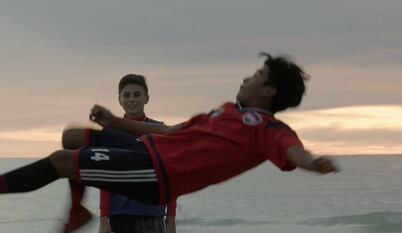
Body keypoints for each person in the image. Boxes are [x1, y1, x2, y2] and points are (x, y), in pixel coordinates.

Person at [0, 53, 339, 233]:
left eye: (256, 77)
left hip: (156, 175)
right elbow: (173, 131)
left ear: (269, 92)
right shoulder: (223, 111)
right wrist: (112, 121)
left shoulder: (268, 128)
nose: (246, 78)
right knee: (72, 136)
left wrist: (312, 163)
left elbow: (293, 150)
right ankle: (76, 212)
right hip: (146, 150)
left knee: (62, 160)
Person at [64, 74, 176, 233]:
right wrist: (104, 219)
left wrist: (170, 220)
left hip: (151, 214)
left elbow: (171, 178)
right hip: (119, 215)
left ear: (147, 98)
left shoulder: (159, 131)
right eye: (127, 95)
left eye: (137, 94)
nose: (132, 100)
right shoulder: (110, 133)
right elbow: (105, 179)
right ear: (119, 100)